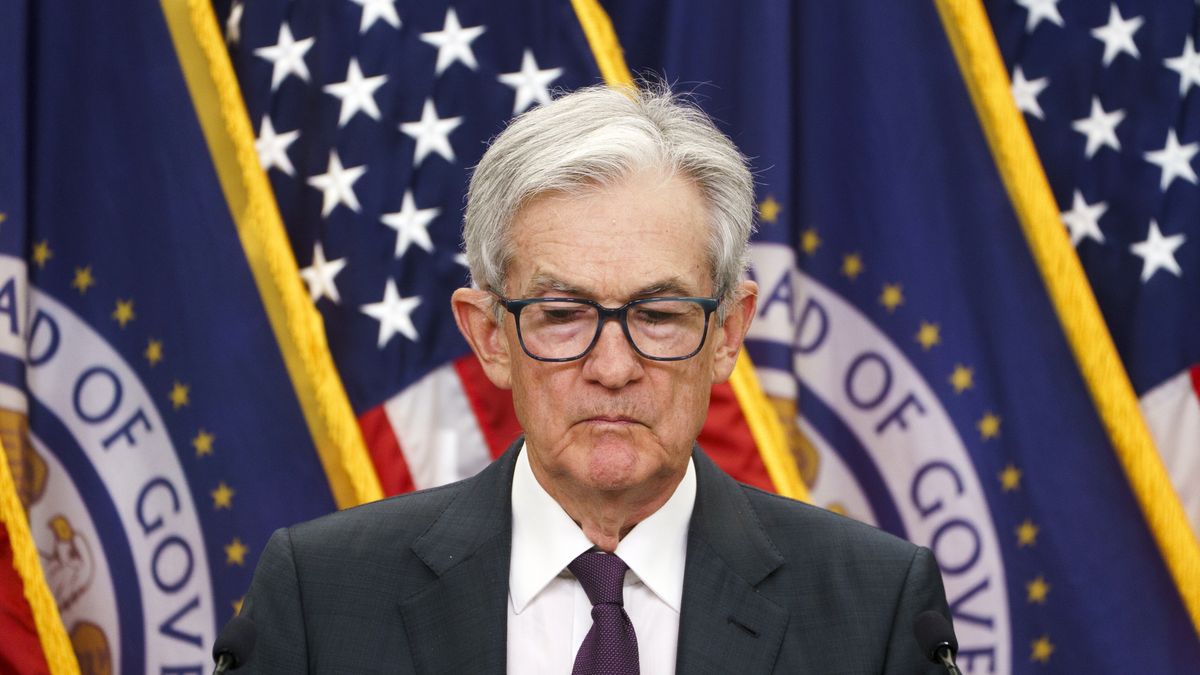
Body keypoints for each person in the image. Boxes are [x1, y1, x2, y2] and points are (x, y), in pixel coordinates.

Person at [238, 83, 953, 674]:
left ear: (728, 333)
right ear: (491, 335)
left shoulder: (875, 609)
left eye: (661, 313)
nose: (613, 368)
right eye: (561, 314)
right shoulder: (319, 596)